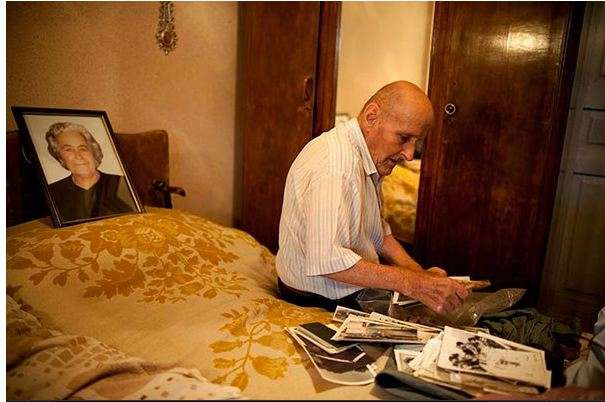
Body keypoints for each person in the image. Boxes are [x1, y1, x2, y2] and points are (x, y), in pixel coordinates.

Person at [276, 80, 469, 314]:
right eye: (403, 138)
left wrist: (419, 274)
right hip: (315, 296)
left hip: (341, 287)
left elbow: (378, 233)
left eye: (416, 142)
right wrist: (415, 284)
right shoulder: (336, 167)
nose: (409, 155)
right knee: (439, 322)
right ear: (371, 117)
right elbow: (328, 260)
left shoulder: (367, 155)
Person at [45, 122, 135, 221]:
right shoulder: (52, 193)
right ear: (60, 158)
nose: (78, 156)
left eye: (83, 149)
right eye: (68, 150)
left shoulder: (122, 184)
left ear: (93, 151)